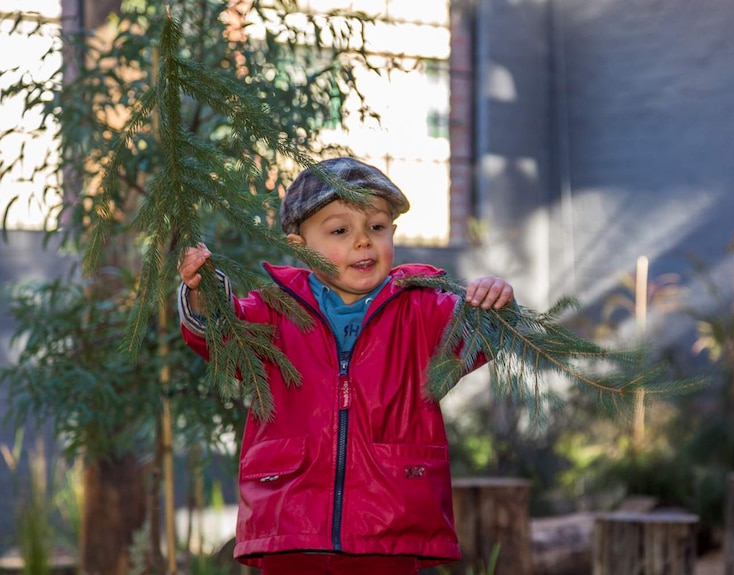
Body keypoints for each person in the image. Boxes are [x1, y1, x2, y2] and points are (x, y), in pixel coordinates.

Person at [177, 157, 515, 574]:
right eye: (340, 230)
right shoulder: (275, 309)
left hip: (390, 515)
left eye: (376, 227)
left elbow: (477, 336)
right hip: (292, 512)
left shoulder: (420, 307)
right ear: (300, 247)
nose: (363, 242)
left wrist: (493, 301)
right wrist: (203, 295)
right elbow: (224, 335)